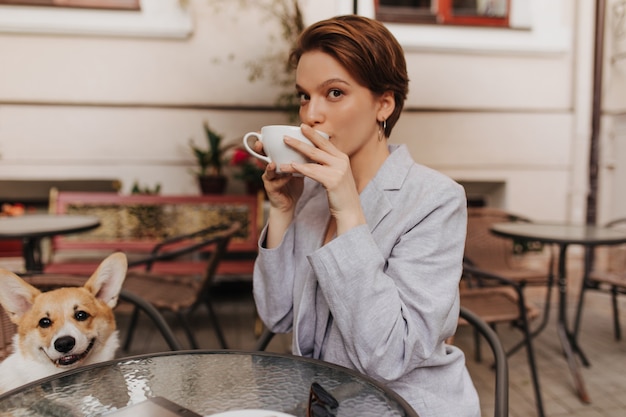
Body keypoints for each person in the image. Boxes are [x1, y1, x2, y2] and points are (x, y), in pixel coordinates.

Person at [252, 14, 480, 417]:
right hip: (322, 405)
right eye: (305, 96)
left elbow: (388, 357)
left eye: (334, 93)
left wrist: (348, 212)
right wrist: (283, 209)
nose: (310, 115)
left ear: (384, 104)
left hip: (409, 408)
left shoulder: (435, 200)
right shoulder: (311, 196)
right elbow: (277, 315)